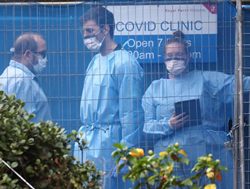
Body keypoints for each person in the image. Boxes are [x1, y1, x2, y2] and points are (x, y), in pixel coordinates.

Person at [141, 31, 246, 188]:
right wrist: (169, 124)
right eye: (169, 56)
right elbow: (147, 126)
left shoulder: (205, 79)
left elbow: (238, 84)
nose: (174, 60)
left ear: (188, 57)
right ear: (163, 59)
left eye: (178, 55)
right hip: (169, 158)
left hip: (205, 153)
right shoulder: (155, 88)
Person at [73, 6, 144, 189]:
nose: (86, 37)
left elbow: (132, 114)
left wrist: (125, 152)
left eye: (90, 31)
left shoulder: (125, 63)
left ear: (106, 29)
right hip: (86, 142)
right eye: (84, 32)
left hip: (110, 143)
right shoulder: (95, 61)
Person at [0, 33, 51, 123]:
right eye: (42, 54)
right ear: (28, 54)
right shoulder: (21, 81)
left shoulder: (10, 74)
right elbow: (24, 126)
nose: (45, 59)